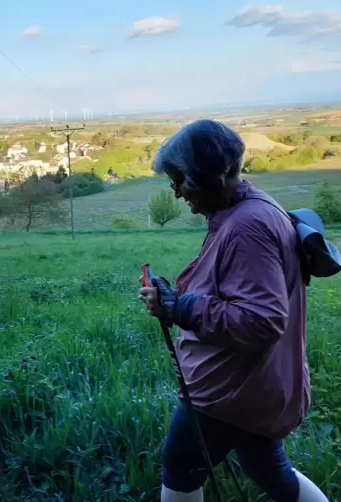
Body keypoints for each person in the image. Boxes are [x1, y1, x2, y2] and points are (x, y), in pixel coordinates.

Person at [137, 120, 329, 502]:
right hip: (260, 385)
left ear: (212, 177)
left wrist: (178, 306)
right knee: (267, 468)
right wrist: (178, 303)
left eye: (181, 183)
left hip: (230, 394)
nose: (176, 194)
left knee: (180, 471)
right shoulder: (252, 207)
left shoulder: (246, 226)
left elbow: (261, 321)